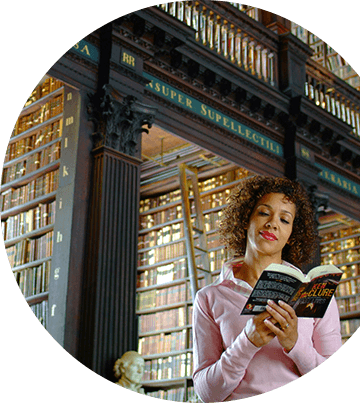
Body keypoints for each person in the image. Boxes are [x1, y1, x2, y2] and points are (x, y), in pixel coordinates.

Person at [192, 176, 342, 402]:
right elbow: (206, 394)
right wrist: (247, 342)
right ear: (246, 220)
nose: (273, 223)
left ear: (292, 234)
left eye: (284, 219)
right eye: (264, 213)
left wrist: (295, 343)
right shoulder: (210, 297)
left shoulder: (316, 294)